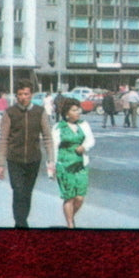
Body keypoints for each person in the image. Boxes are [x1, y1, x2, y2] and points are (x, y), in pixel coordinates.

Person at [0, 79, 55, 229]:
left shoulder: (39, 112)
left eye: (26, 94)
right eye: (20, 94)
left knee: (27, 193)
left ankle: (22, 221)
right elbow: (3, 139)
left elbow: (48, 137)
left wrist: (51, 160)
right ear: (16, 96)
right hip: (14, 159)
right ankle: (20, 224)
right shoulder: (10, 113)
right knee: (18, 192)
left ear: (31, 95)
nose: (23, 97)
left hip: (33, 159)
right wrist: (0, 164)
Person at [52, 98, 96, 229]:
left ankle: (70, 217)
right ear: (67, 113)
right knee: (69, 197)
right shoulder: (58, 127)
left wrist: (84, 147)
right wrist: (52, 166)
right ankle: (70, 225)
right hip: (64, 165)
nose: (78, 112)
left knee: (80, 197)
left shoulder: (84, 124)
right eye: (74, 110)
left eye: (78, 109)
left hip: (81, 164)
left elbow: (91, 140)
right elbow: (53, 147)